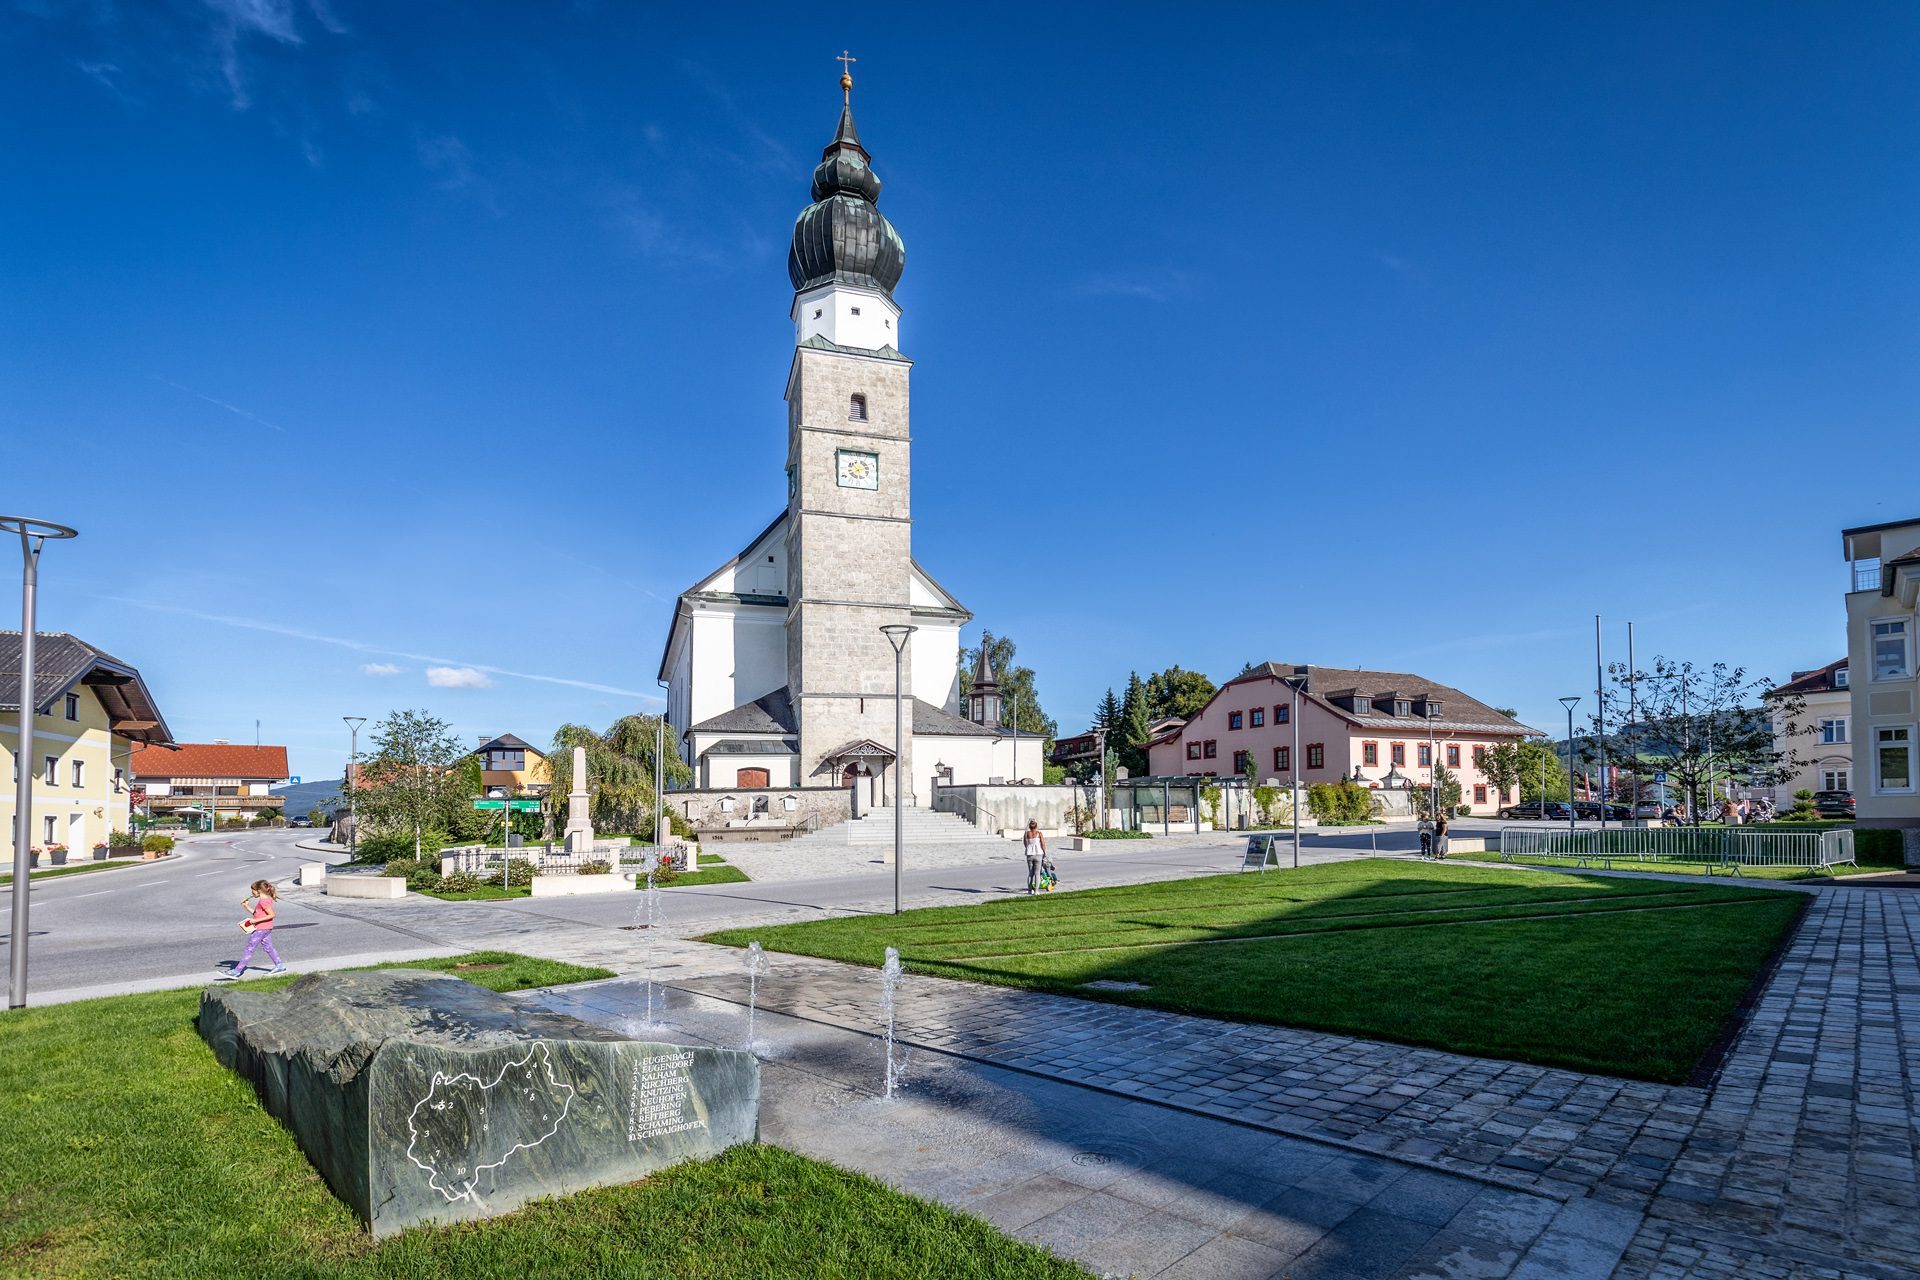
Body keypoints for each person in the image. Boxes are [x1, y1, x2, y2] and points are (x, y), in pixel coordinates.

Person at [219, 879, 286, 979]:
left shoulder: (263, 901)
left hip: (260, 929)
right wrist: (246, 906)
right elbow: (257, 914)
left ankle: (236, 971)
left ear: (259, 890)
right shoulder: (265, 899)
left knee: (249, 949)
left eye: (253, 890)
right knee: (268, 947)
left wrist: (255, 921)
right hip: (266, 928)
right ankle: (279, 966)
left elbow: (272, 915)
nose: (252, 893)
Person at [1023, 821, 1047, 894]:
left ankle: (1030, 890)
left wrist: (1029, 848)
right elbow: (1043, 844)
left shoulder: (1027, 834)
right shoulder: (1039, 833)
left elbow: (1025, 843)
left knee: (1031, 873)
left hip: (1029, 854)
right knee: (1037, 873)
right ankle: (1036, 891)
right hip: (1038, 854)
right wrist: (1044, 852)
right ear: (1036, 827)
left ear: (1030, 827)